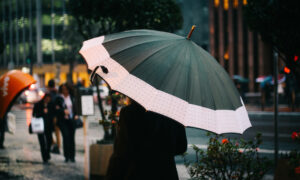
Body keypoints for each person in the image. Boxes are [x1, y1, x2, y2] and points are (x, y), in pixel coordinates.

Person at [106, 99, 187, 180]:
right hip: (166, 173)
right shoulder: (173, 115)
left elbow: (122, 150)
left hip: (137, 172)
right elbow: (181, 147)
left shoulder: (129, 112)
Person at [55, 83, 78, 163]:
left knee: (72, 138)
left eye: (66, 89)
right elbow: (56, 109)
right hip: (63, 121)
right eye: (63, 89)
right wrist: (62, 111)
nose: (65, 91)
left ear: (69, 89)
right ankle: (66, 156)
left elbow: (75, 108)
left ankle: (72, 156)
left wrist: (76, 115)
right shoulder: (59, 98)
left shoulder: (72, 97)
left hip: (71, 120)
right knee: (65, 137)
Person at [32, 93, 54, 163]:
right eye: (46, 98)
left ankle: (47, 153)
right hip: (40, 126)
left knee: (49, 141)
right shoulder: (38, 104)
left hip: (48, 126)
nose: (48, 100)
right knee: (42, 142)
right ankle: (44, 157)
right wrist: (42, 112)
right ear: (44, 98)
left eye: (49, 98)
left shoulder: (51, 104)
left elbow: (53, 113)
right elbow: (34, 114)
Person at [47, 79, 61, 154]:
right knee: (57, 132)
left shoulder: (49, 94)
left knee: (48, 132)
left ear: (48, 86)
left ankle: (54, 144)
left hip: (51, 116)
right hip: (58, 116)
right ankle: (58, 147)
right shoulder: (57, 93)